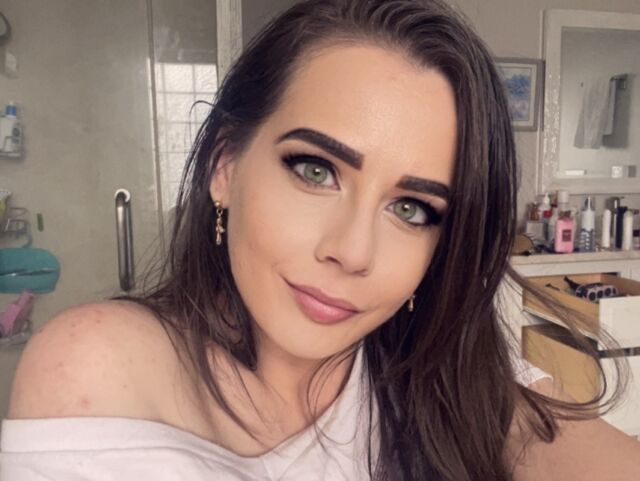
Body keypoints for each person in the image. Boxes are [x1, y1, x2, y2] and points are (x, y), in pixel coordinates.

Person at [2, 0, 639, 480]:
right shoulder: (99, 367)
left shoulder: (450, 383)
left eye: (412, 209)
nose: (353, 252)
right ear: (225, 165)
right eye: (315, 171)